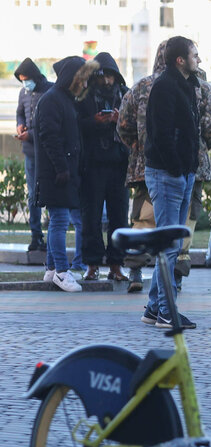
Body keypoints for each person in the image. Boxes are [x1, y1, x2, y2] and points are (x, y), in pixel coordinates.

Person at [141, 36, 202, 329]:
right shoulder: (165, 86)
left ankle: (155, 307)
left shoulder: (186, 85)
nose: (198, 59)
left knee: (172, 244)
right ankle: (167, 312)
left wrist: (187, 169)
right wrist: (178, 168)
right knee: (168, 245)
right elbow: (161, 134)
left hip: (181, 173)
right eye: (194, 55)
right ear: (180, 59)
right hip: (168, 174)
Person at [35, 56, 98, 292]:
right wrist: (61, 168)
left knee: (57, 221)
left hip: (62, 172)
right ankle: (61, 271)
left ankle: (52, 269)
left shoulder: (63, 99)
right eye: (81, 80)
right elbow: (49, 137)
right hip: (56, 173)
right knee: (60, 222)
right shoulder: (53, 100)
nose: (84, 85)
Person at [76, 52, 130, 282]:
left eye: (110, 77)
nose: (107, 81)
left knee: (119, 218)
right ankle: (92, 264)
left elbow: (137, 127)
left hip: (119, 166)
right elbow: (76, 125)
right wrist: (94, 122)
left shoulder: (126, 95)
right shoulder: (84, 97)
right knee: (91, 218)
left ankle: (116, 265)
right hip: (92, 166)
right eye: (102, 77)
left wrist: (120, 122)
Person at [119, 40, 167, 293]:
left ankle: (135, 271)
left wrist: (137, 148)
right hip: (179, 167)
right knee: (179, 223)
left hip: (143, 167)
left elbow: (123, 126)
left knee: (142, 220)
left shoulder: (140, 87)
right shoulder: (195, 87)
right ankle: (174, 278)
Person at [176, 66, 211, 292]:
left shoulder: (153, 84)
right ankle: (179, 266)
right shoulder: (205, 90)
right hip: (197, 162)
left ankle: (144, 270)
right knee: (189, 215)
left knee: (158, 215)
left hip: (160, 163)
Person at [14, 58, 52, 253]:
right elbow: (20, 113)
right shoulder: (23, 92)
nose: (25, 83)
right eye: (21, 79)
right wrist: (20, 125)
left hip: (47, 153)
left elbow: (52, 124)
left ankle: (51, 237)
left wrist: (33, 134)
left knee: (50, 195)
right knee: (32, 195)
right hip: (30, 152)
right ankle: (36, 235)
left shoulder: (50, 91)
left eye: (27, 79)